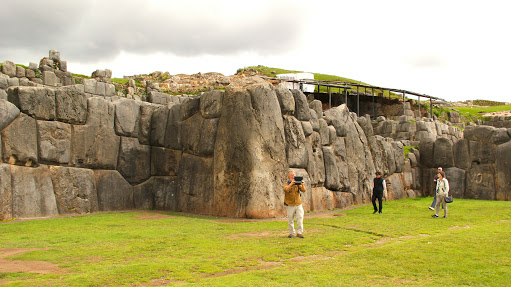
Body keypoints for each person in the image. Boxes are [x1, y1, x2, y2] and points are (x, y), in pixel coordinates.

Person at [283, 171, 306, 238]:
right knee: (290, 219)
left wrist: (302, 184)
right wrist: (291, 184)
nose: (292, 177)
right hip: (290, 204)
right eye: (291, 175)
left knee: (300, 218)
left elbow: (304, 190)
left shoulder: (298, 183)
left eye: (293, 175)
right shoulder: (286, 183)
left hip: (298, 203)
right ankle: (292, 233)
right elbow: (285, 189)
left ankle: (299, 233)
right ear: (288, 176)